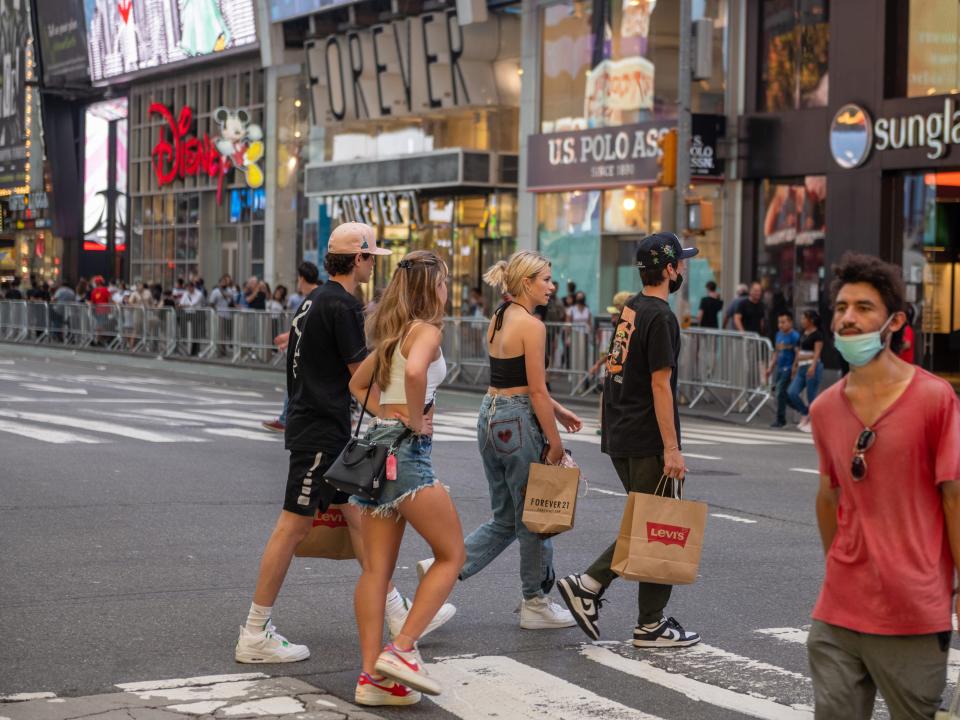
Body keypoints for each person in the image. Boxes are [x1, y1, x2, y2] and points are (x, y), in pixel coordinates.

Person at [236, 225, 453, 672]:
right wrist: (395, 415)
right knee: (292, 527)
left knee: (359, 515)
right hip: (320, 429)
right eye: (371, 257)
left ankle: (395, 611)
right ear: (358, 260)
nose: (374, 265)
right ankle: (254, 631)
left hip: (319, 425)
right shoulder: (341, 304)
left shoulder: (316, 299)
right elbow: (363, 375)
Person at [808, 252, 960, 720]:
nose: (848, 318)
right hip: (837, 613)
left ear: (894, 321)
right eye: (841, 307)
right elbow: (828, 496)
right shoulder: (825, 408)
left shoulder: (935, 399)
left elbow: (954, 497)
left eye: (864, 308)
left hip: (913, 612)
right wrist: (841, 565)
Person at [558, 232, 701, 648]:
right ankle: (627, 609)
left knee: (650, 523)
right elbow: (661, 385)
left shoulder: (631, 309)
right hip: (646, 437)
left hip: (622, 432)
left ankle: (626, 607)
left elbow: (615, 372)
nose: (685, 270)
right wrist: (671, 449)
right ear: (670, 269)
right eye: (682, 263)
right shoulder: (660, 317)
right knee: (660, 527)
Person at [348, 250, 465, 705]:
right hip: (407, 454)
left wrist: (386, 414)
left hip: (378, 449)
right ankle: (400, 650)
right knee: (452, 554)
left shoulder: (394, 334)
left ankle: (371, 678)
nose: (448, 288)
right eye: (445, 281)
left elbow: (357, 385)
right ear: (431, 287)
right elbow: (417, 373)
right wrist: (414, 420)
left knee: (376, 570)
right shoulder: (428, 331)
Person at [451, 251, 582, 629]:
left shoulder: (500, 316)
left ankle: (447, 565)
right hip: (519, 423)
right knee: (536, 517)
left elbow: (513, 377)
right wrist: (554, 442)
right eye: (546, 279)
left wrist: (558, 411)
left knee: (507, 516)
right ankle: (534, 603)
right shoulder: (533, 325)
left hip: (490, 416)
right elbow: (535, 391)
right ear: (527, 283)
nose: (551, 286)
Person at [262, 263, 321, 433]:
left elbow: (305, 326)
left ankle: (286, 419)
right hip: (310, 349)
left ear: (302, 279)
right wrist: (288, 340)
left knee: (296, 383)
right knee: (299, 385)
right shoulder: (316, 296)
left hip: (311, 351)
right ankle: (289, 419)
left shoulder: (315, 297)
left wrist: (287, 338)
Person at [787, 309, 824, 432]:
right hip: (801, 367)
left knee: (811, 395)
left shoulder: (817, 334)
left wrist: (813, 365)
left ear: (811, 320)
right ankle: (805, 412)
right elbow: (798, 352)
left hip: (811, 366)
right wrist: (795, 365)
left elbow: (817, 353)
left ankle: (813, 421)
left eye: (804, 318)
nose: (802, 321)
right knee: (792, 392)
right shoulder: (803, 333)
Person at [767, 312, 800, 428]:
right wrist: (770, 367)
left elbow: (797, 353)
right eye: (779, 322)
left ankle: (780, 419)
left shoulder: (794, 336)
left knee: (781, 391)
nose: (780, 325)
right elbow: (776, 353)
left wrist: (794, 368)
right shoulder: (778, 335)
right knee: (781, 393)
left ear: (790, 322)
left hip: (788, 367)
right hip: (779, 368)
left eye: (783, 322)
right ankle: (803, 409)